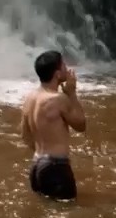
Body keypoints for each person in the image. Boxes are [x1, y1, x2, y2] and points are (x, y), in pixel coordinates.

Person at [19, 49, 86, 200]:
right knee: (68, 217)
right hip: (56, 167)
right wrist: (72, 93)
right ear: (57, 74)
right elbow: (81, 125)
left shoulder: (30, 98)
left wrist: (44, 156)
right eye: (63, 65)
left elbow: (25, 136)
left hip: (36, 166)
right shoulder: (57, 99)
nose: (67, 68)